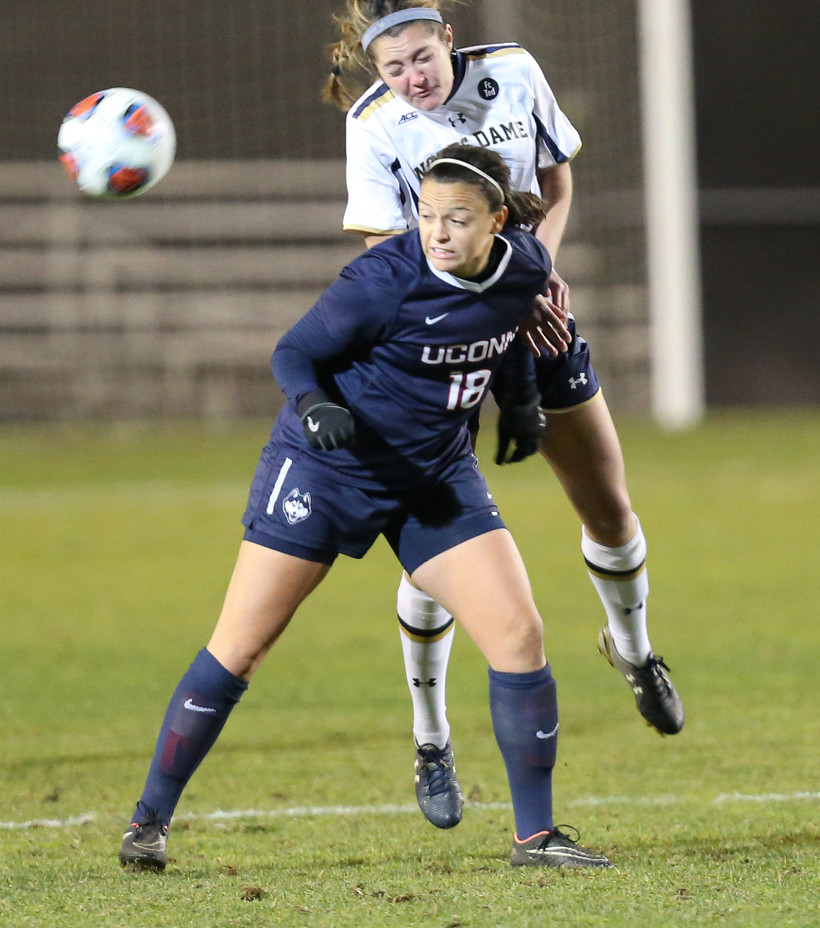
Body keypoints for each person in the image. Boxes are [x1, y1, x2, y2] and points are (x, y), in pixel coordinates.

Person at [118, 144, 613, 873]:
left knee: (518, 635)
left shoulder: (528, 266)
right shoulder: (383, 280)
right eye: (427, 215)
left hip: (432, 477)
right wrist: (315, 405)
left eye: (457, 219)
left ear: (498, 222)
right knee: (241, 646)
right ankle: (149, 822)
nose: (437, 232)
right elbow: (294, 353)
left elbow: (504, 330)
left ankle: (535, 838)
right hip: (325, 470)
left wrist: (523, 402)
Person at [324, 0, 684, 831]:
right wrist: (490, 299)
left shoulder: (514, 72)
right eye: (394, 65)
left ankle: (632, 648)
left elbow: (555, 189)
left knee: (608, 505)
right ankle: (430, 737)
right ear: (375, 68)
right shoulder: (372, 125)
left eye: (421, 56)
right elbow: (391, 253)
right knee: (436, 559)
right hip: (435, 346)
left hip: (538, 323)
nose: (412, 77)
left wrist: (534, 275)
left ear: (447, 37)